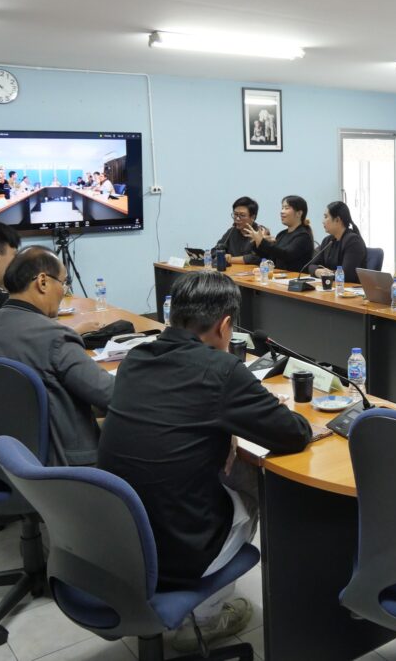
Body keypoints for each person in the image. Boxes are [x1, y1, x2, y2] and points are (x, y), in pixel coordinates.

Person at [99, 271, 310, 649]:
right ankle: (207, 616)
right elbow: (293, 433)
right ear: (226, 325)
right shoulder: (222, 370)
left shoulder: (135, 359)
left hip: (119, 538)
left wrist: (227, 425)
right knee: (253, 482)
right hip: (178, 549)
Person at [0, 246, 111, 466]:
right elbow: (109, 395)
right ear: (43, 282)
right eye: (64, 283)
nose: (64, 291)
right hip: (58, 462)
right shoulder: (55, 337)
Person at [243, 195, 314, 272]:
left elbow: (286, 255)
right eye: (282, 208)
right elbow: (271, 258)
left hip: (295, 278)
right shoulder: (282, 234)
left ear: (299, 213)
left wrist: (262, 242)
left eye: (286, 208)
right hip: (279, 276)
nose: (282, 211)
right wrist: (257, 242)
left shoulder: (303, 236)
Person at [310, 201, 367, 283]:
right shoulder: (327, 241)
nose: (323, 221)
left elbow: (346, 275)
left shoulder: (353, 241)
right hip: (332, 286)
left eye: (326, 217)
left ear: (337, 220)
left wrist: (326, 274)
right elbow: (311, 265)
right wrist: (317, 271)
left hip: (349, 288)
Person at [215, 196, 268, 265]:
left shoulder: (261, 232)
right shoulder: (231, 231)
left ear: (252, 217)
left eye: (242, 215)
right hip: (233, 270)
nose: (237, 218)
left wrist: (230, 259)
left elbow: (256, 258)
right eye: (235, 214)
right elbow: (215, 250)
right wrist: (223, 255)